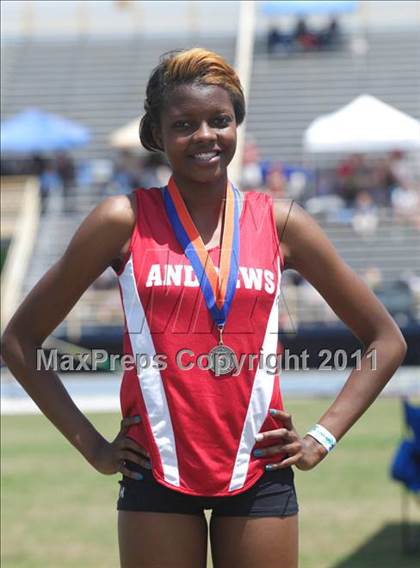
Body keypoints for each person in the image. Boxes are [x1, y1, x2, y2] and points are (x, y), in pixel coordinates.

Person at [1, 48, 407, 568]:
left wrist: (320, 438)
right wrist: (95, 449)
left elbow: (385, 339)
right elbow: (19, 341)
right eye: (184, 124)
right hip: (156, 471)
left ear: (237, 123)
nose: (205, 136)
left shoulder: (282, 222)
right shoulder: (122, 221)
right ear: (158, 134)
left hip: (260, 469)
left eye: (220, 120)